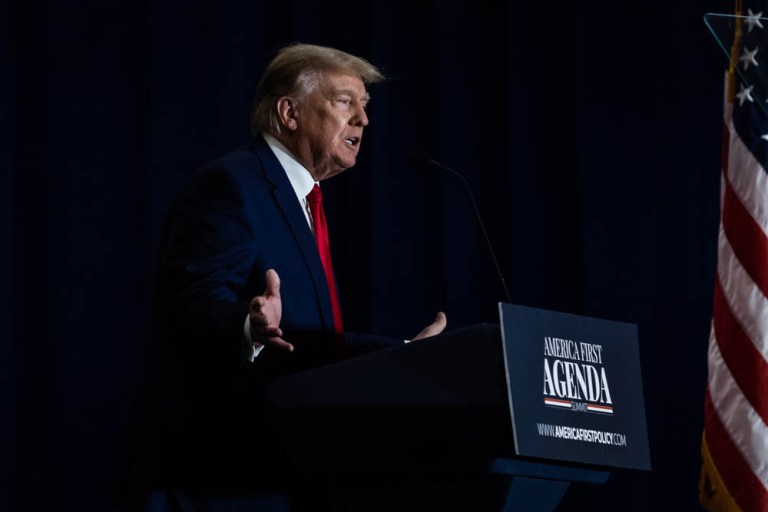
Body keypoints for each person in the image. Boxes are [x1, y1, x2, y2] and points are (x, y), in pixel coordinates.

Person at [114, 43, 446, 511]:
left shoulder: (304, 202)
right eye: (344, 101)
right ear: (290, 112)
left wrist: (405, 357)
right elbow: (192, 304)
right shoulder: (231, 185)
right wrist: (248, 324)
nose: (362, 121)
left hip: (285, 473)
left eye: (365, 106)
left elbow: (316, 346)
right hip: (216, 478)